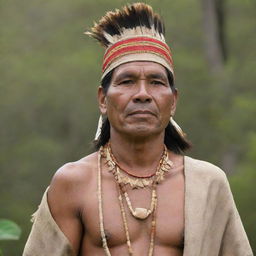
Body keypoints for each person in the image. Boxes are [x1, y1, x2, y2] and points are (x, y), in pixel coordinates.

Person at [23, 3, 253, 256]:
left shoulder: (209, 184)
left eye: (156, 82)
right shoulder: (74, 183)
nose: (142, 94)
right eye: (127, 81)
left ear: (173, 100)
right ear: (103, 99)